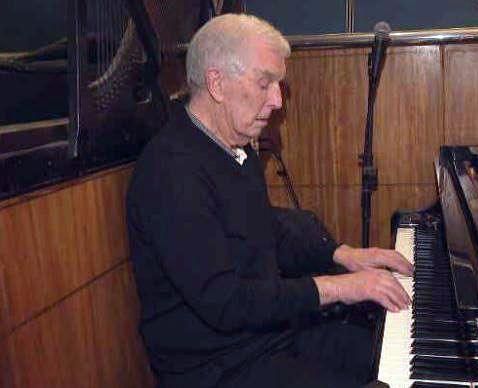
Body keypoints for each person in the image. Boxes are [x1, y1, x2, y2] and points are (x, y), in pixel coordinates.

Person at [126, 14, 412, 388]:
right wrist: (343, 287)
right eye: (265, 83)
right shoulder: (170, 172)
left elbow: (264, 227)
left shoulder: (231, 147)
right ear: (217, 83)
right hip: (218, 368)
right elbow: (226, 302)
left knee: (395, 354)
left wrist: (343, 254)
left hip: (267, 338)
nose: (277, 100)